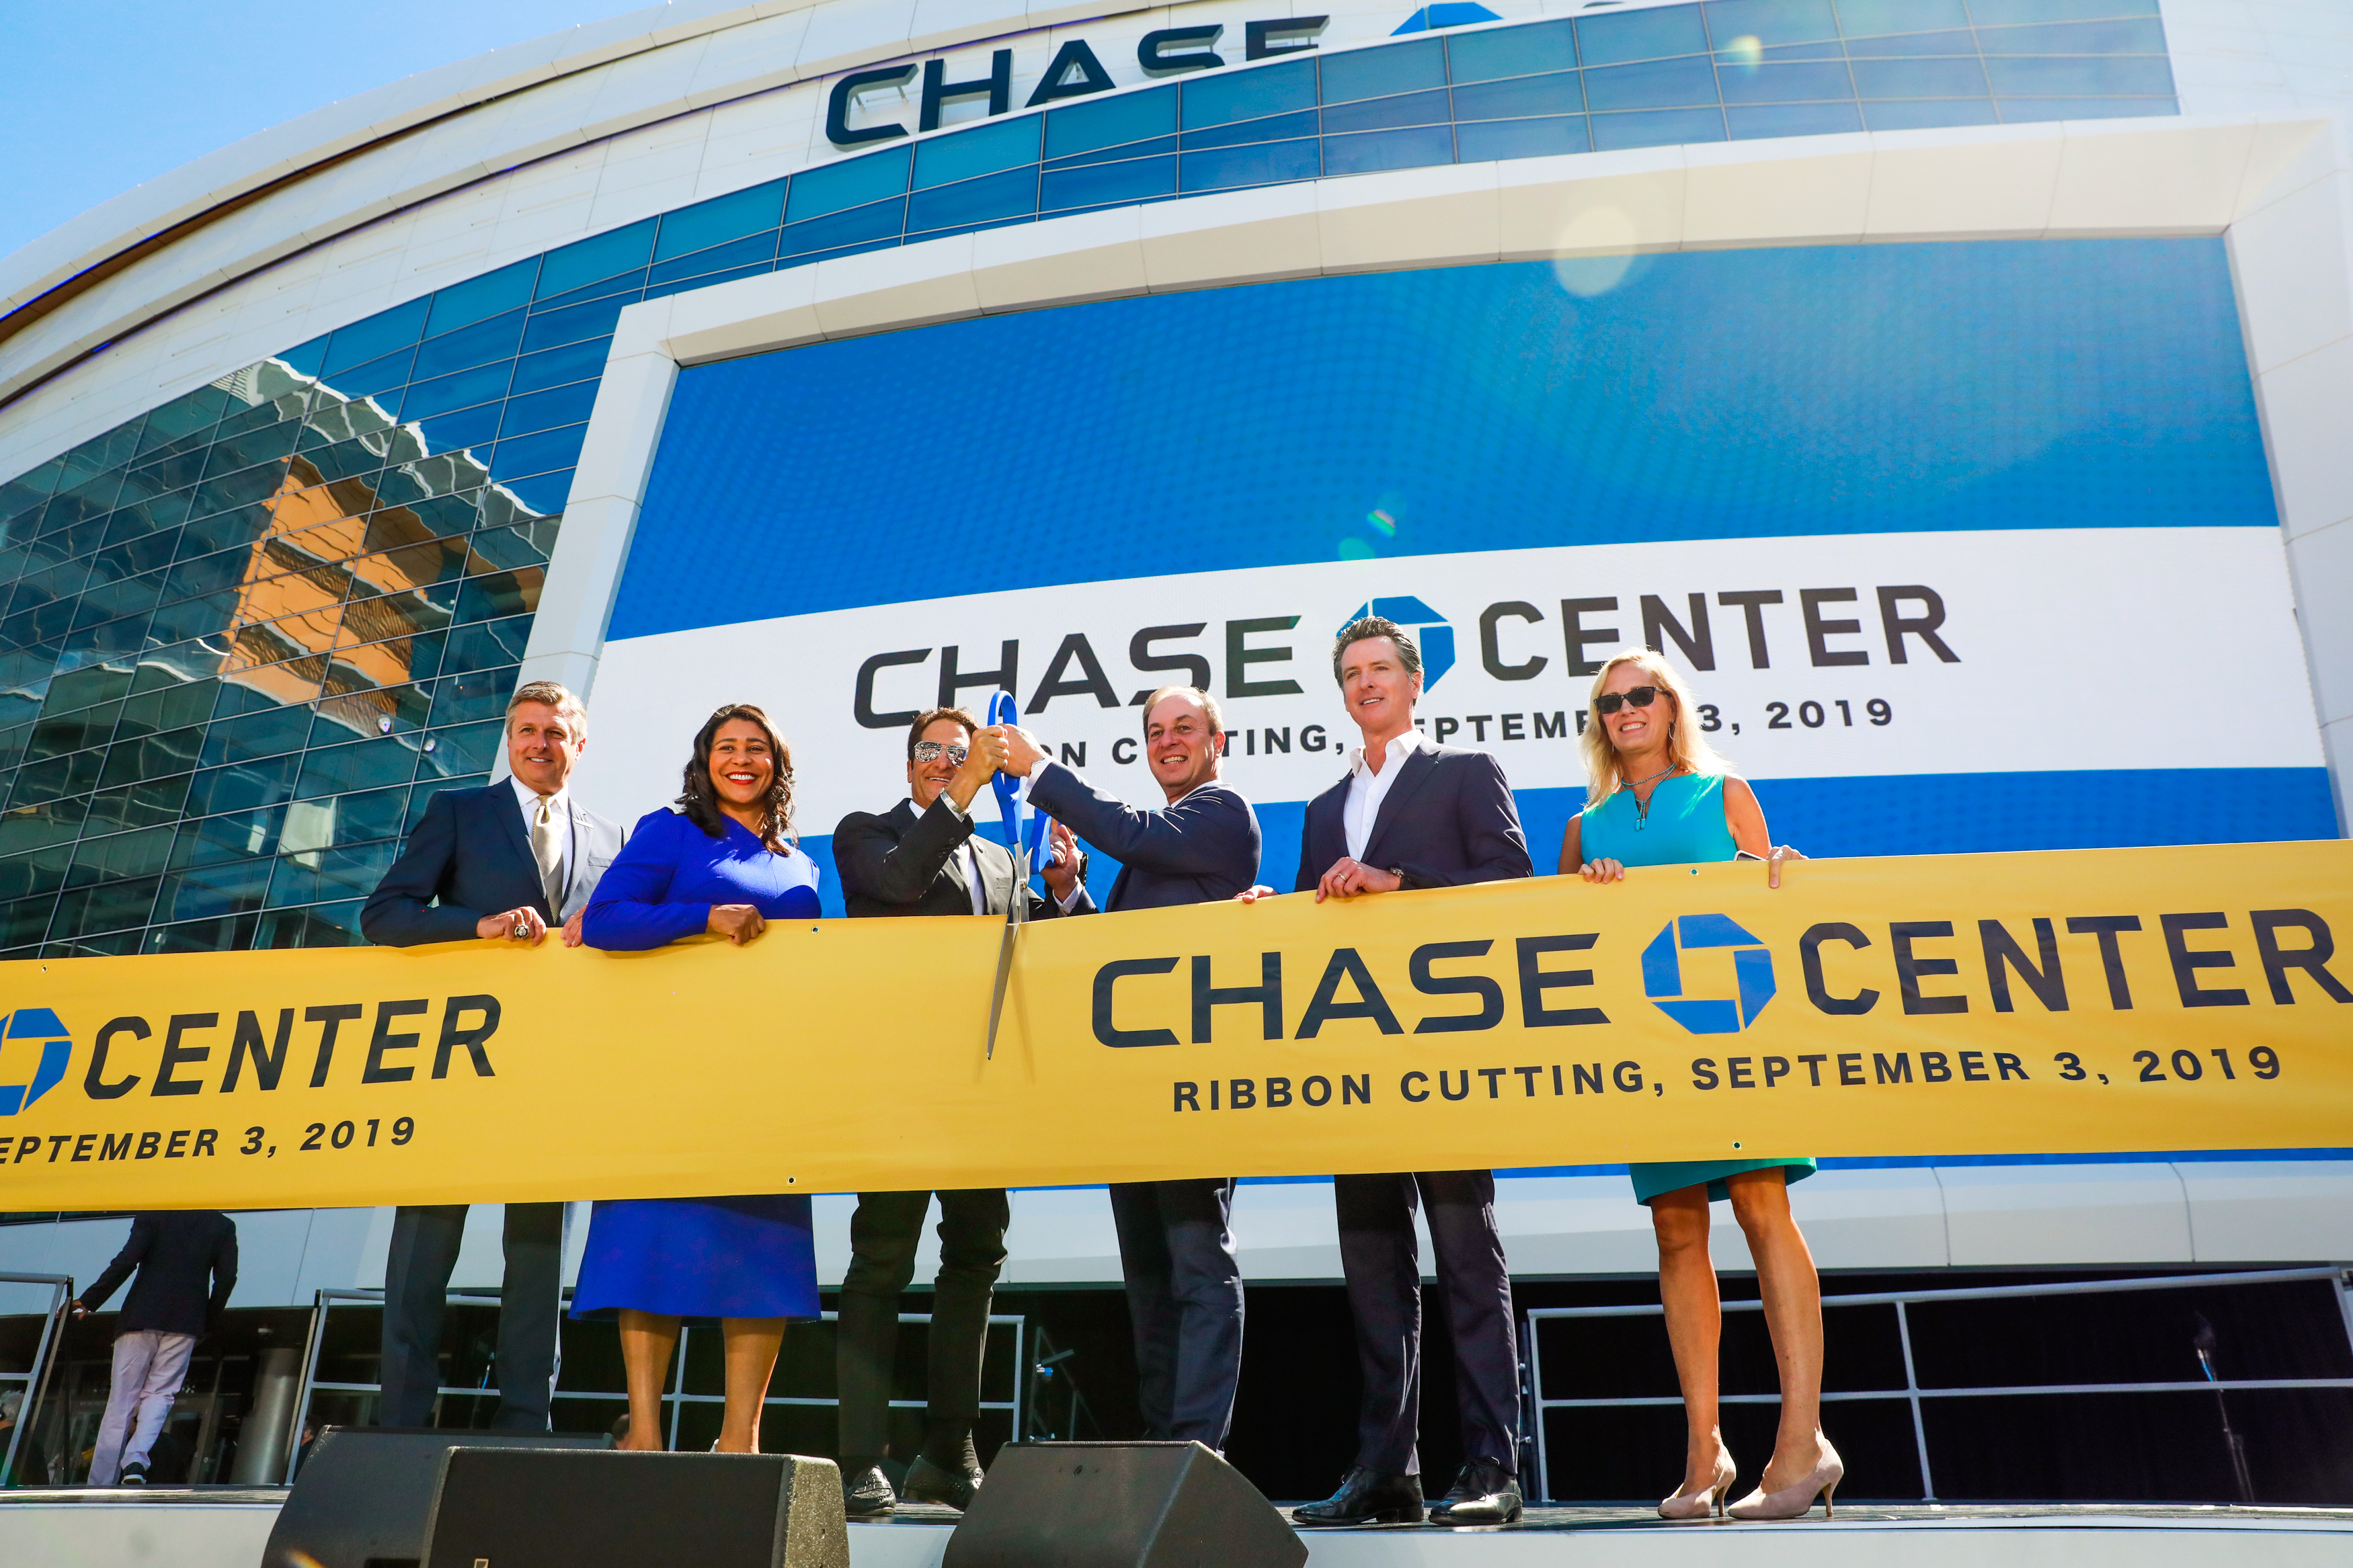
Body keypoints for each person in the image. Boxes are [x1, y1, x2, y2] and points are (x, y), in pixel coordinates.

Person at [1243, 616, 1533, 1528]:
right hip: (1358, 1067)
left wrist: (1397, 881)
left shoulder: (1463, 772)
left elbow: (1510, 881)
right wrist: (1273, 907)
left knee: (1467, 1261)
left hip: (1444, 1057)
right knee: (1373, 1274)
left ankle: (1492, 1466)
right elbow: (1312, 921)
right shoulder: (1324, 805)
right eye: (1351, 673)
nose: (1366, 684)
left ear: (1415, 684)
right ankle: (1386, 1472)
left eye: (1381, 670)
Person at [1560, 647, 1836, 1521]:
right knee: (1677, 1233)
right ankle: (1704, 1451)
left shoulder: (1725, 793)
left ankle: (1801, 1444)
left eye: (1644, 695)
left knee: (1762, 1208)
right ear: (1600, 722)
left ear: (1674, 708)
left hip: (1739, 1038)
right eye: (1612, 702)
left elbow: (1771, 898)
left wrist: (1778, 875)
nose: (1629, 709)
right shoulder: (1586, 825)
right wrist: (1589, 893)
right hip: (1650, 1054)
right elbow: (1559, 947)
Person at [830, 707, 1086, 1516]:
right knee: (882, 1263)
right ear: (909, 765)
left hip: (983, 1090)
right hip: (901, 1086)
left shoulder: (1001, 858)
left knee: (974, 1259)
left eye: (959, 749)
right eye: (931, 750)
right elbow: (902, 884)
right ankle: (857, 1457)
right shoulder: (865, 832)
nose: (945, 760)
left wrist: (1063, 890)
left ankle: (948, 1450)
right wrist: (972, 781)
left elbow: (1048, 953)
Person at [360, 679, 625, 1431]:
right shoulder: (459, 813)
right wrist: (474, 925)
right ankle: (403, 1420)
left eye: (554, 731)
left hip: (553, 1074)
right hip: (459, 1066)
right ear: (510, 739)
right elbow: (383, 914)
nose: (538, 743)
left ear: (580, 744)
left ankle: (524, 1420)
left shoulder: (609, 837)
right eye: (525, 730)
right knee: (423, 1250)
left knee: (538, 1257)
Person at [1002, 686, 1261, 1454]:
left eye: (1185, 727)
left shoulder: (1222, 812)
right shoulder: (1160, 844)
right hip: (1134, 1093)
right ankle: (1160, 1436)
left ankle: (1197, 1445)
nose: (1169, 740)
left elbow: (1128, 829)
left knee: (1196, 1263)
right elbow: (1112, 962)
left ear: (1218, 739)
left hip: (1196, 1085)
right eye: (1155, 731)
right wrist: (1069, 894)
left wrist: (1040, 767)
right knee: (1149, 1278)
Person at [571, 703, 824, 1454]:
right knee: (650, 1245)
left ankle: (738, 1438)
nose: (740, 759)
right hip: (671, 1077)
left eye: (756, 749)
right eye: (726, 747)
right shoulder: (671, 829)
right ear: (704, 759)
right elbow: (609, 917)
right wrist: (701, 916)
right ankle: (644, 1432)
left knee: (761, 1255)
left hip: (769, 1081)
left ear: (777, 764)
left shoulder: (799, 860)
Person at [73, 1210, 237, 1485]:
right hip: (186, 1322)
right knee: (161, 1393)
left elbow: (127, 1260)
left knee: (122, 1399)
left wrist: (92, 1298)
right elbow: (227, 1277)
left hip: (140, 1316)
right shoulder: (222, 1225)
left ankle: (101, 1481)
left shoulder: (153, 1216)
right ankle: (136, 1460)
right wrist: (206, 1322)